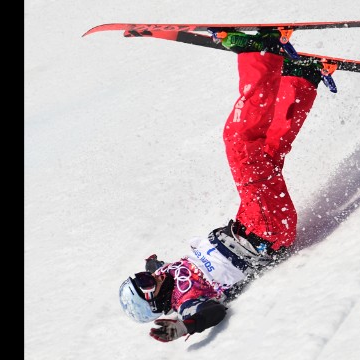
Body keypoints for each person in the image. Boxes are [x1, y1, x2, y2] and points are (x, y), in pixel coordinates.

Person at [118, 29, 325, 343]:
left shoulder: (166, 277)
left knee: (266, 155)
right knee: (240, 144)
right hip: (263, 233)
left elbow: (158, 265)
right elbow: (213, 313)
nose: (152, 276)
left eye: (142, 276)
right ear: (156, 304)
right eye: (147, 284)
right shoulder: (185, 301)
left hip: (252, 223)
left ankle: (301, 79)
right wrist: (186, 327)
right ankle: (260, 55)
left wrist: (152, 264)